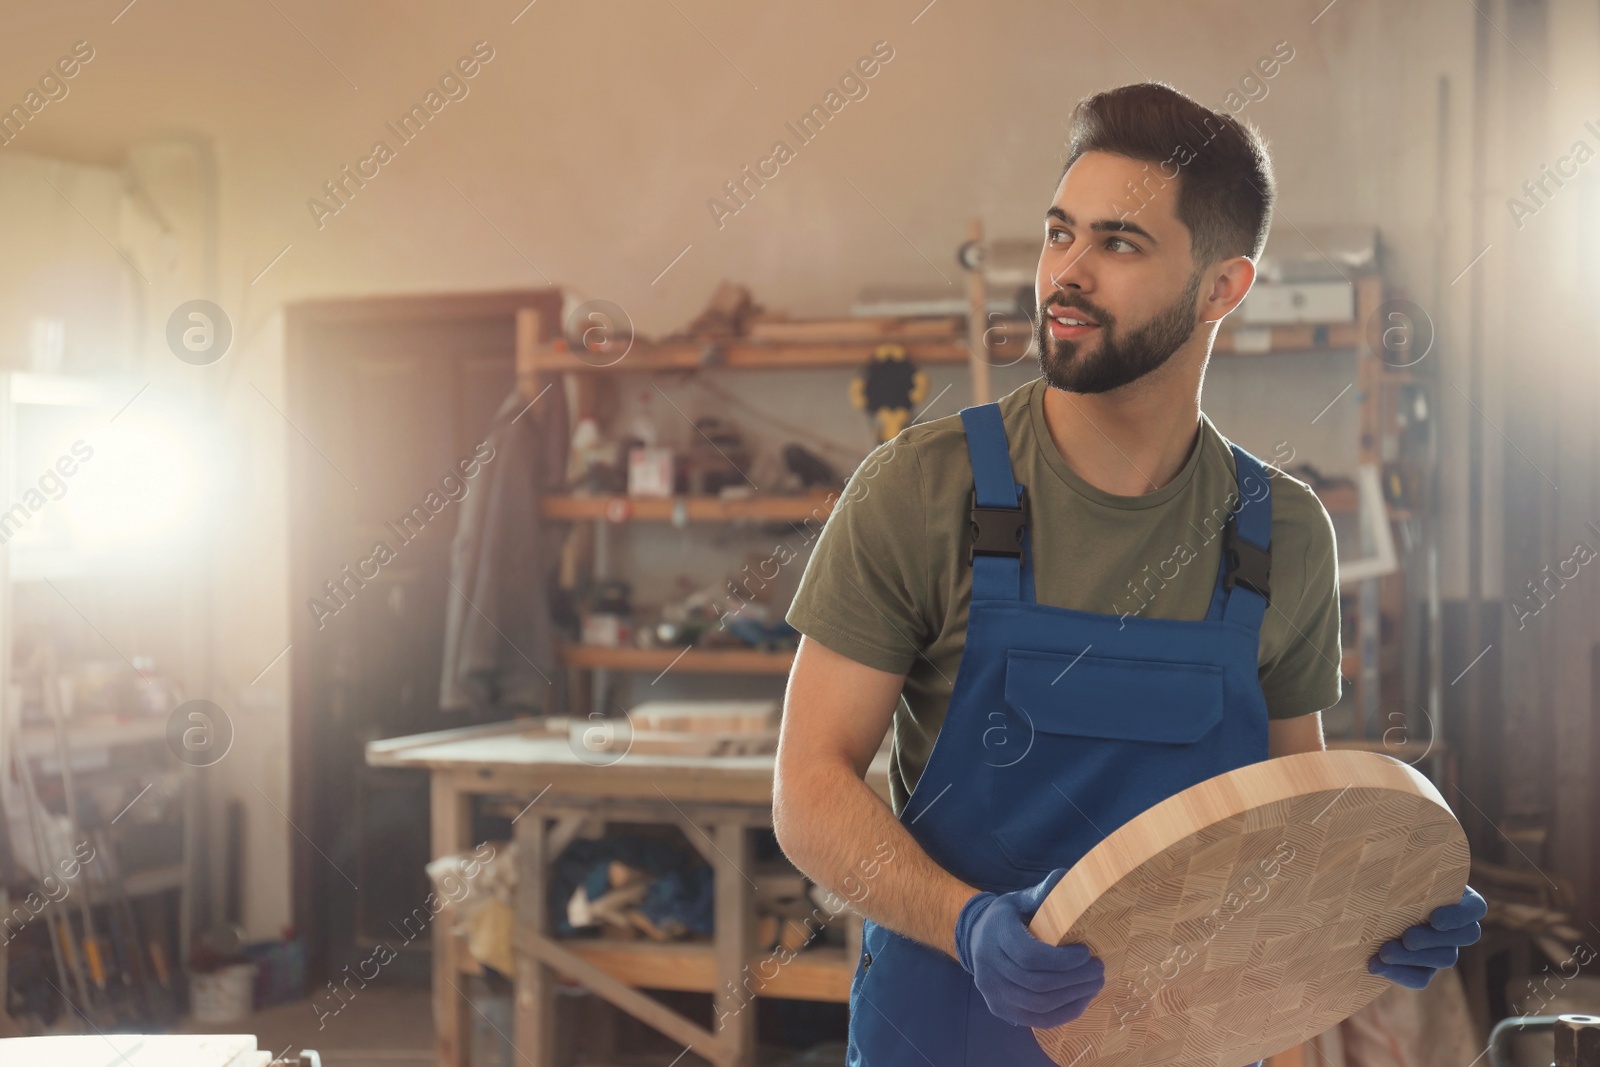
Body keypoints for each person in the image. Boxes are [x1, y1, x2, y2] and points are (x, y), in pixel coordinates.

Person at [773, 81, 1484, 1066]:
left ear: (1221, 288)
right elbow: (807, 786)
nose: (1066, 273)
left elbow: (1284, 831)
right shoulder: (919, 490)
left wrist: (1370, 912)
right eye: (1059, 233)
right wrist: (966, 920)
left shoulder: (1279, 532)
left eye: (1118, 244)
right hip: (944, 1035)